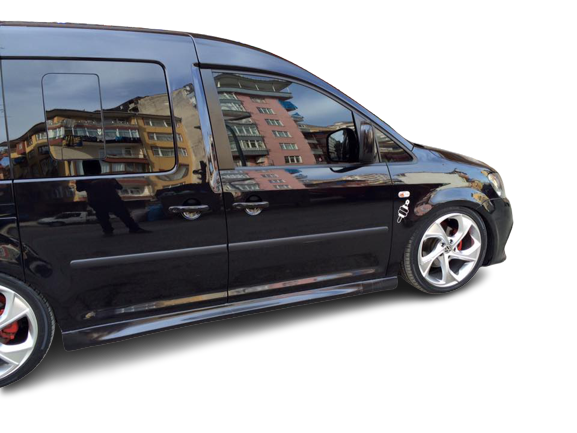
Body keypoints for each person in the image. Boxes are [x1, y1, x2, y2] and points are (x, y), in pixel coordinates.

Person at [76, 160, 149, 236]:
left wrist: (111, 183)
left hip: (106, 200)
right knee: (108, 216)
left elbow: (119, 187)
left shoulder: (101, 177)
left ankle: (127, 229)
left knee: (119, 215)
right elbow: (79, 188)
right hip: (104, 200)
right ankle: (112, 231)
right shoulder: (88, 179)